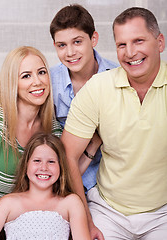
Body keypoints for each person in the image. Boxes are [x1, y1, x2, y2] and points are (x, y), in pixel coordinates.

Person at [61, 7, 167, 240]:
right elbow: (67, 155)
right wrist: (86, 220)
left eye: (138, 41)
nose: (130, 52)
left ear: (160, 42)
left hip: (162, 213)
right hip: (108, 211)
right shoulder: (97, 88)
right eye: (121, 45)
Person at [0, 46, 62, 238]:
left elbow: (69, 170)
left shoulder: (51, 129)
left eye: (42, 72)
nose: (37, 82)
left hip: (18, 222)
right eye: (26, 76)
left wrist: (93, 146)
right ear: (13, 82)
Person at [50, 4, 118, 192]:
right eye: (61, 45)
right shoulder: (48, 82)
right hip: (66, 181)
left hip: (109, 184)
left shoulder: (118, 76)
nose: (70, 52)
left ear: (93, 39)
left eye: (77, 42)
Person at [0, 133, 91, 240]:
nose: (44, 168)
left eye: (51, 162)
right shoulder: (7, 203)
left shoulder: (71, 202)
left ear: (60, 166)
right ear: (26, 164)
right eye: (37, 161)